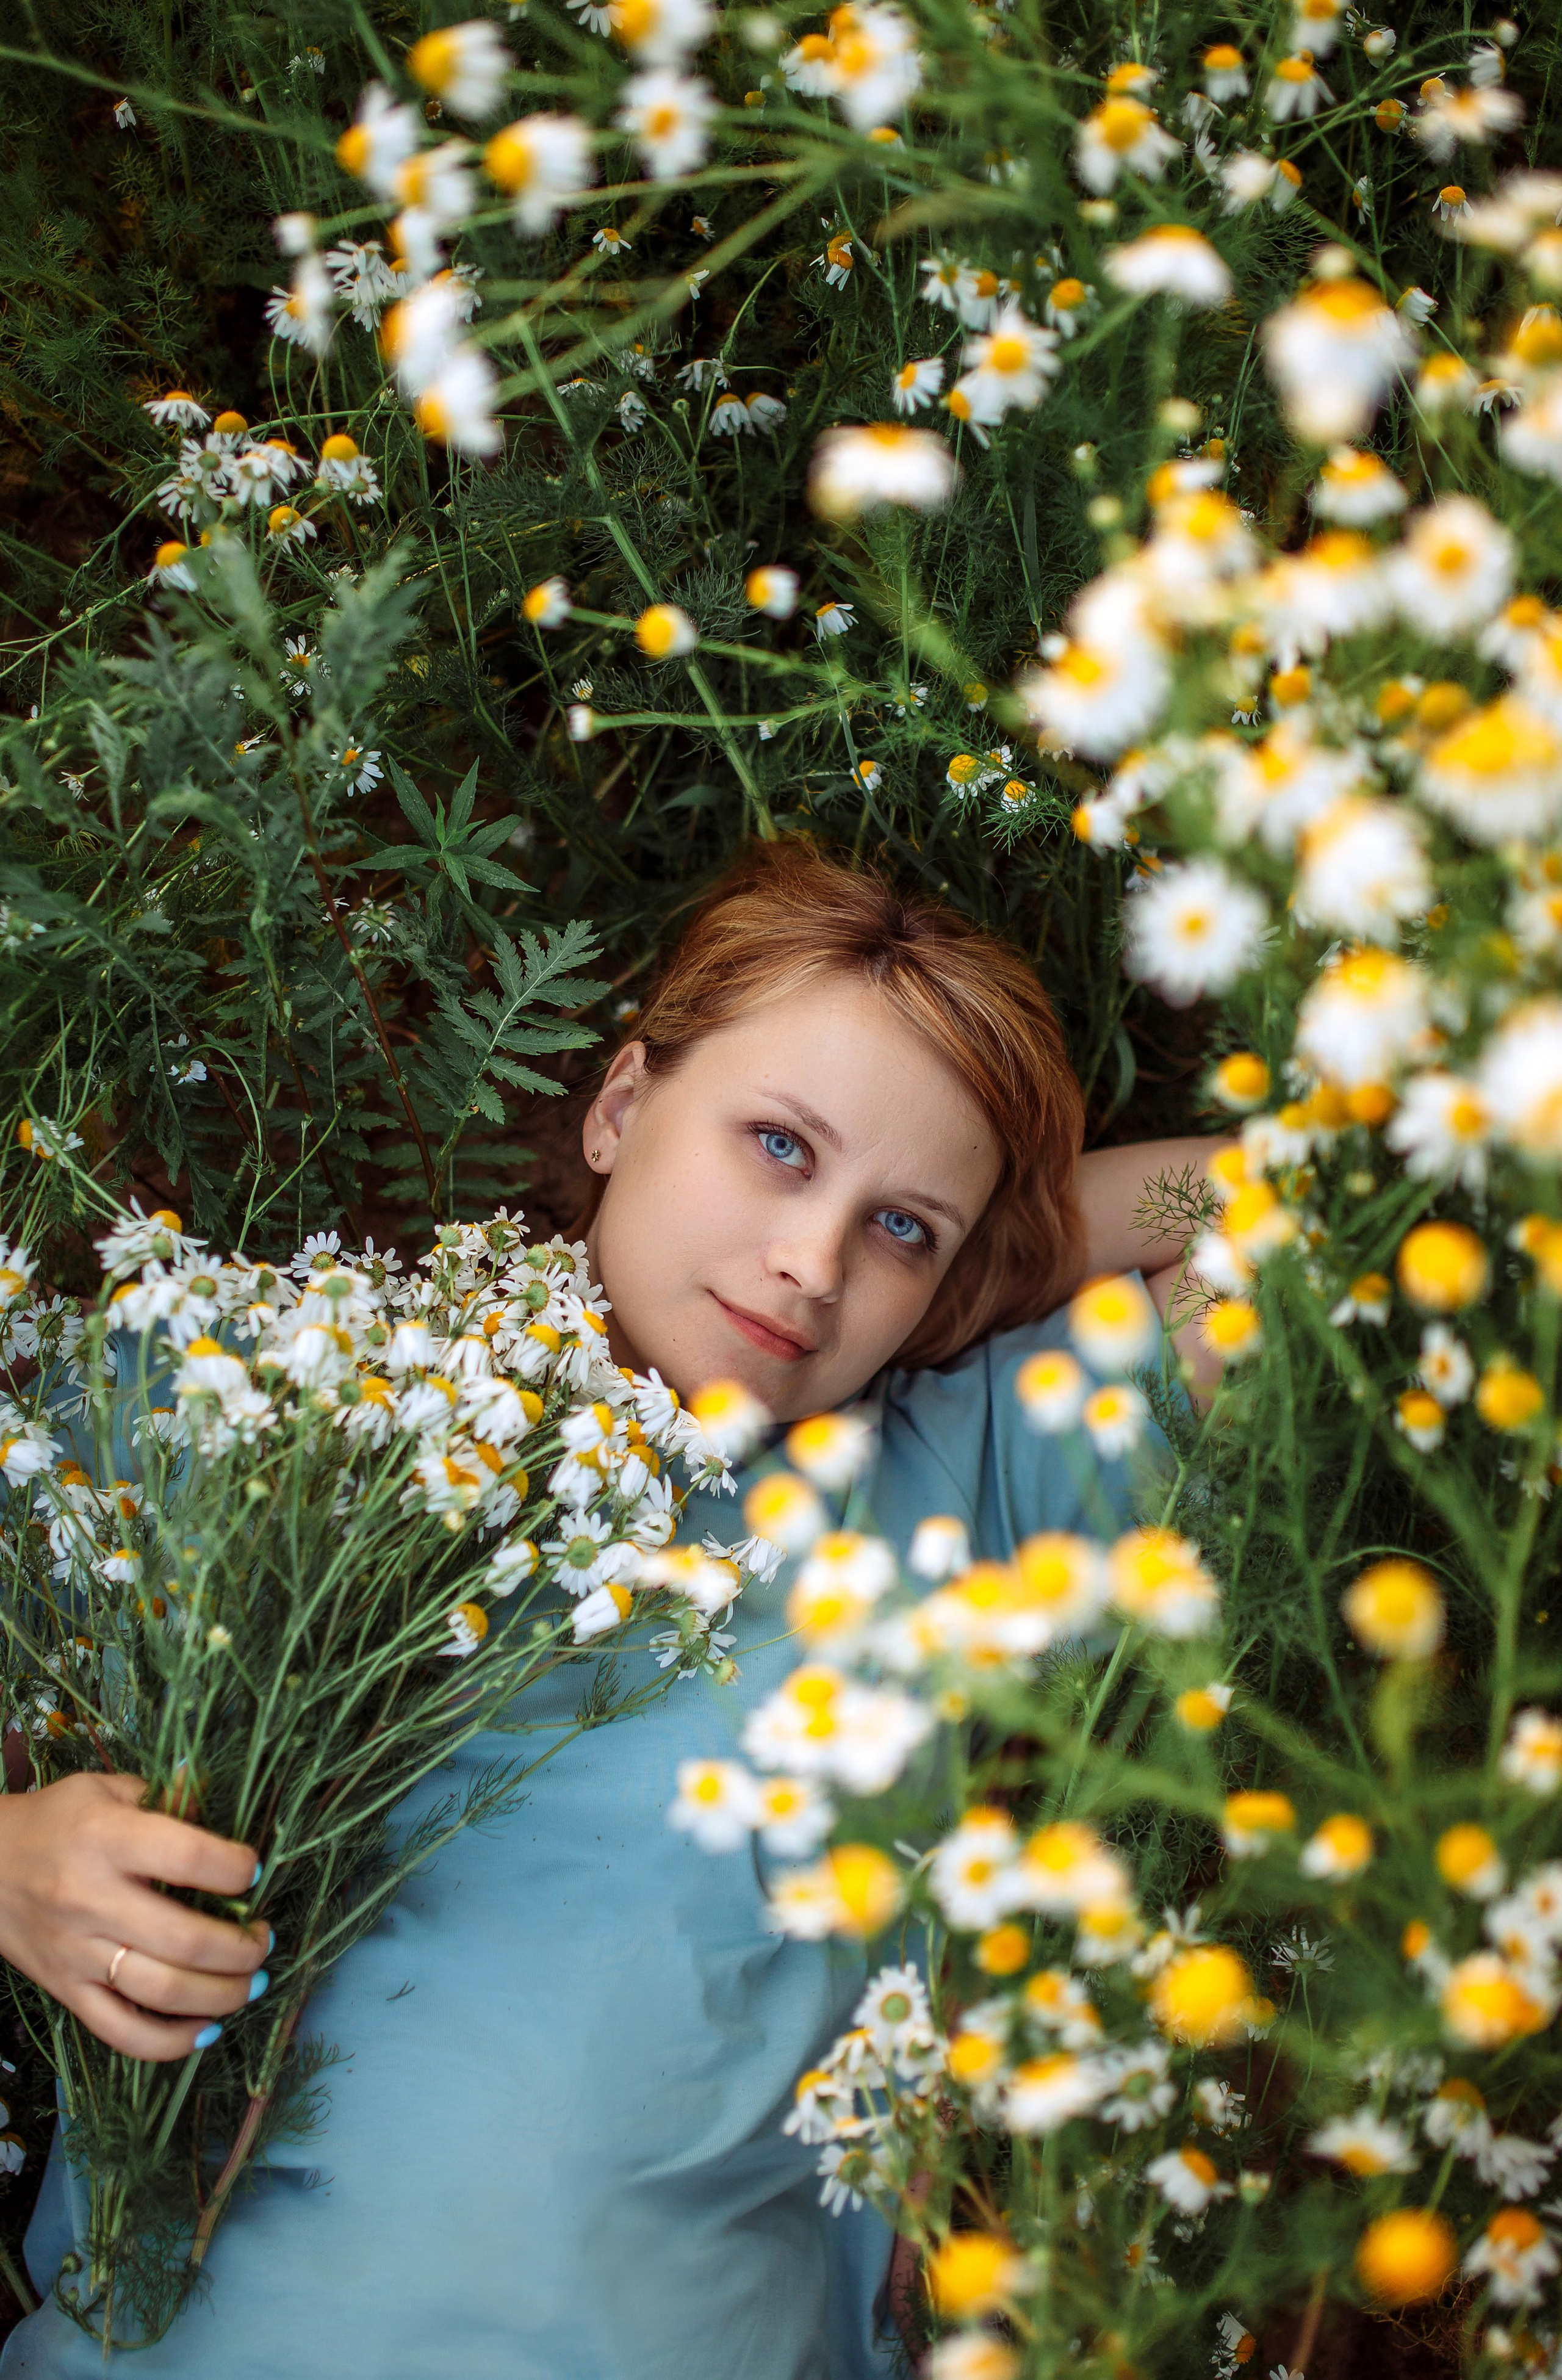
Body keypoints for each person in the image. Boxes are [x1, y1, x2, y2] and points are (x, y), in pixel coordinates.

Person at [0, 845, 1218, 2379]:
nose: (812, 1263)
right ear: (624, 1105)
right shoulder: (253, 1385)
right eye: (778, 1145)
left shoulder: (943, 1490)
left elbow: (1292, 1215)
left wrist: (998, 1261)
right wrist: (13, 1863)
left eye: (900, 1229)